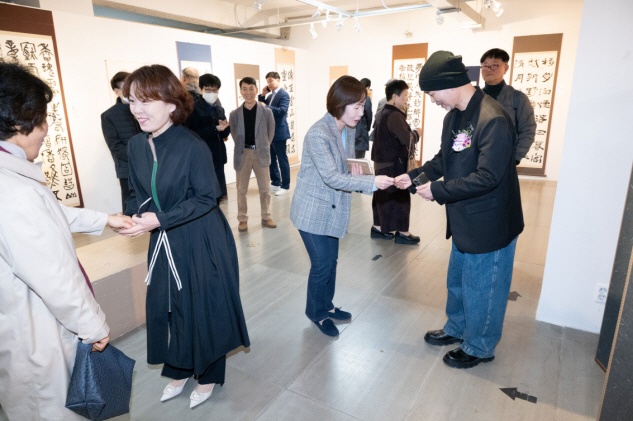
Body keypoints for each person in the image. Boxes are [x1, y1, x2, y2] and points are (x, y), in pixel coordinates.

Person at [0, 62, 131, 420]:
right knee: (51, 408)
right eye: (42, 119)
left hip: (23, 323)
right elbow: (51, 273)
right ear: (20, 121)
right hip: (33, 333)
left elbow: (50, 215)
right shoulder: (12, 190)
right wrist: (93, 325)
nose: (45, 130)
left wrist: (105, 219)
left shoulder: (13, 177)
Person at [119, 64, 250, 409]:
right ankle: (179, 368)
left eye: (146, 101)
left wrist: (159, 219)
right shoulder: (136, 145)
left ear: (171, 104)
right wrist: (132, 217)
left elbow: (206, 198)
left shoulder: (191, 145)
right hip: (164, 236)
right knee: (172, 305)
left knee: (204, 306)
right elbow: (136, 193)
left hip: (202, 236)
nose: (137, 109)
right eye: (132, 101)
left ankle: (208, 374)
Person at [395, 51, 524, 369]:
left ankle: (480, 345)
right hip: (465, 217)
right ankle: (457, 328)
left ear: (450, 84)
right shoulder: (454, 116)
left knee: (484, 288)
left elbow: (488, 177)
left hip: (491, 222)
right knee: (458, 281)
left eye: (432, 93)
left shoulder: (493, 119)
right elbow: (445, 159)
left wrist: (437, 190)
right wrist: (415, 176)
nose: (432, 100)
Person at [290, 76, 394, 337]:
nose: (361, 113)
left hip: (332, 208)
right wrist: (371, 182)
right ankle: (317, 313)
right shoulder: (318, 133)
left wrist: (358, 172)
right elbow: (331, 177)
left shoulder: (346, 128)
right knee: (322, 264)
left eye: (362, 106)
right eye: (356, 107)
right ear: (340, 103)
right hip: (312, 210)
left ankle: (326, 305)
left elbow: (343, 168)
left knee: (331, 262)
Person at [371, 79, 422, 245]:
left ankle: (378, 228)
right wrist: (417, 133)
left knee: (382, 196)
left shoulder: (383, 112)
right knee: (400, 197)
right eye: (405, 95)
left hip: (382, 162)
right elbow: (406, 139)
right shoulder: (394, 115)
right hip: (393, 164)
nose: (407, 99)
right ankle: (403, 233)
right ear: (394, 96)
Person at [230, 76, 277, 232]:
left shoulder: (266, 112)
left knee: (265, 189)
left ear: (256, 90)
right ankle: (242, 219)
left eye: (251, 88)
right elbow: (234, 134)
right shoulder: (235, 114)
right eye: (244, 89)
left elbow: (271, 132)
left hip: (260, 153)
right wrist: (244, 147)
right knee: (241, 190)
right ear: (241, 91)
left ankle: (266, 216)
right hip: (243, 154)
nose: (248, 92)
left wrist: (263, 146)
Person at [480, 48, 536, 164]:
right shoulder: (475, 98)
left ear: (505, 68)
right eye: (485, 65)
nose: (488, 69)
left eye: (494, 65)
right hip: (476, 159)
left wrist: (516, 157)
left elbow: (528, 129)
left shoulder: (518, 98)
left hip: (505, 159)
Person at [185, 73, 230, 203]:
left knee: (219, 192)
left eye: (214, 90)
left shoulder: (219, 108)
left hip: (218, 153)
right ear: (201, 89)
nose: (212, 93)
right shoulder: (193, 108)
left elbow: (224, 134)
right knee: (207, 192)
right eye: (208, 90)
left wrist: (226, 127)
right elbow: (191, 133)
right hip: (202, 154)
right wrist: (214, 129)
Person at [101, 71, 142, 209]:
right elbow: (115, 146)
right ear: (116, 91)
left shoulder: (142, 109)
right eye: (126, 87)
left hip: (151, 164)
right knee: (130, 206)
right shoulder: (109, 115)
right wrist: (140, 156)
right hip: (127, 168)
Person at [258, 71, 291, 196]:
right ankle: (276, 181)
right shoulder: (270, 96)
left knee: (282, 159)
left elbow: (282, 111)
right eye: (267, 81)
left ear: (278, 80)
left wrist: (267, 107)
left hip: (279, 132)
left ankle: (285, 185)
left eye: (271, 80)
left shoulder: (284, 94)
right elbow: (261, 108)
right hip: (269, 132)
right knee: (271, 158)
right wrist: (262, 95)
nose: (269, 83)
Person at [354, 78, 373, 159]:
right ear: (367, 87)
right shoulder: (366, 98)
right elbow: (369, 115)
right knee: (359, 160)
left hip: (351, 134)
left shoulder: (352, 97)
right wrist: (367, 128)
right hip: (361, 133)